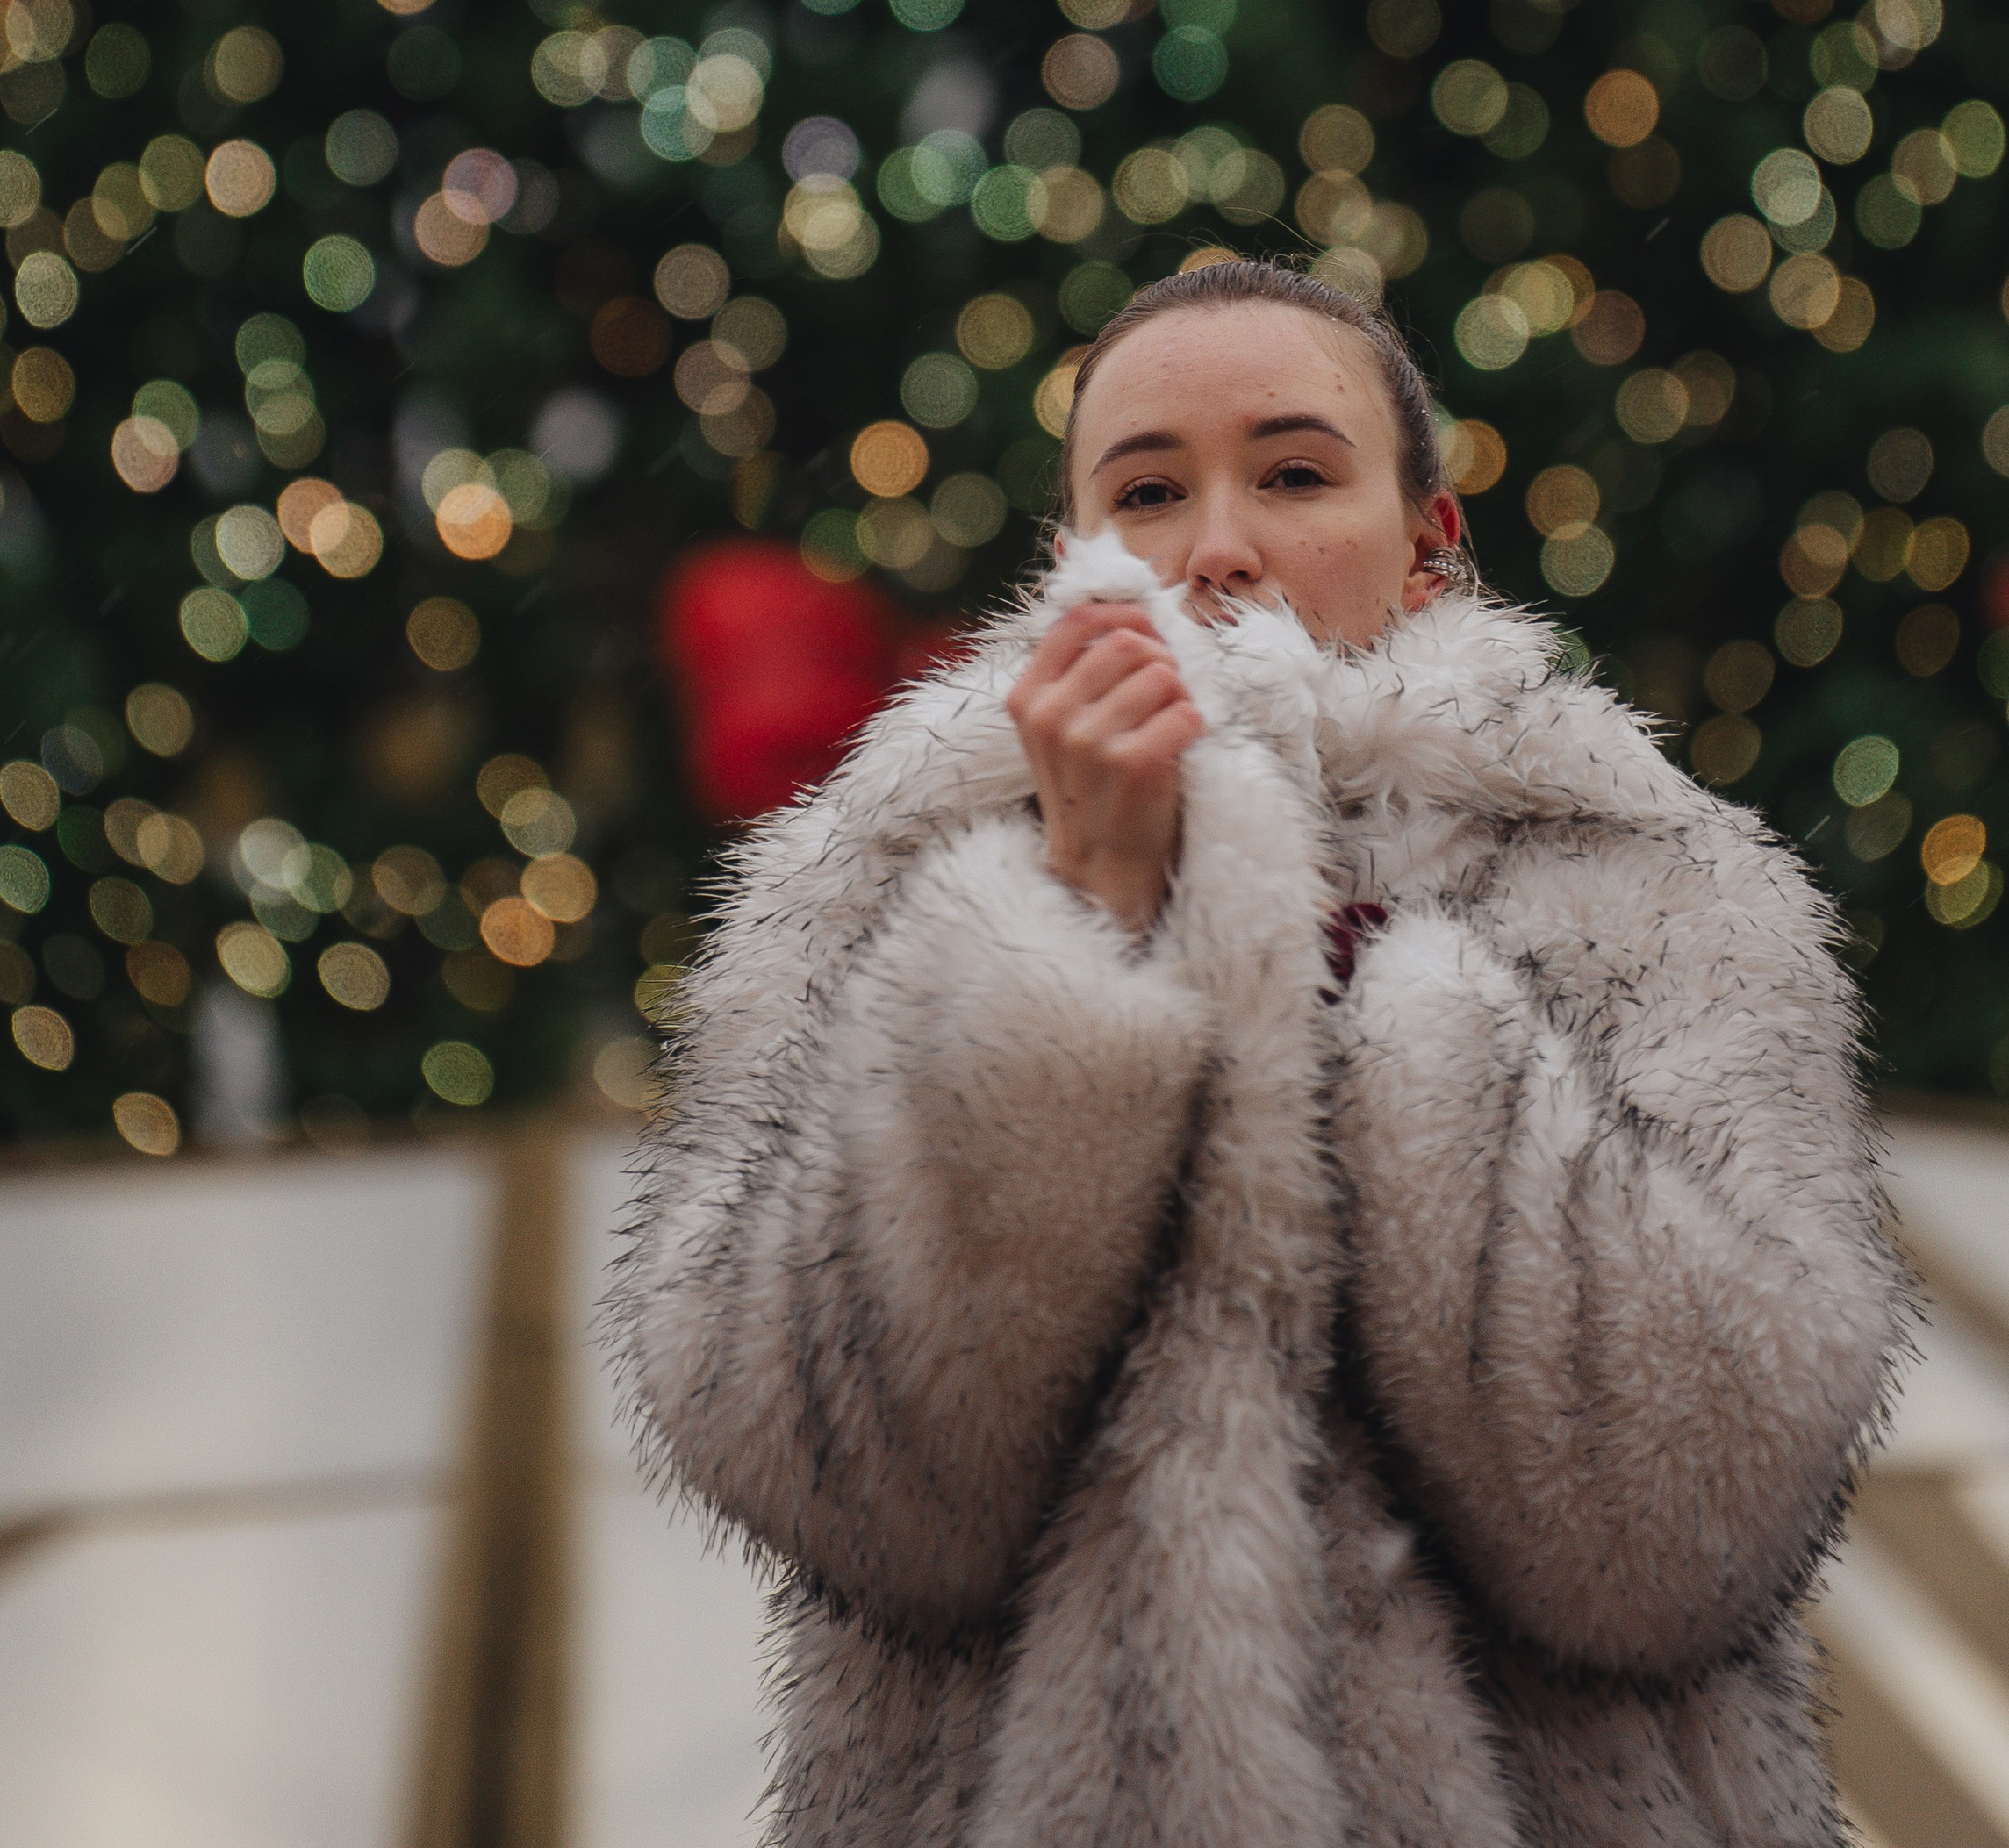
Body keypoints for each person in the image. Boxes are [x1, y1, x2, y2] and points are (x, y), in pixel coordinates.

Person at [614, 259, 1904, 1848]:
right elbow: (840, 1487)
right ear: (1071, 561)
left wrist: (1382, 1010)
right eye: (1148, 493)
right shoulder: (865, 882)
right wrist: (1067, 938)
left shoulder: (1650, 871)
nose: (1218, 548)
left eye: (1295, 475)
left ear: (1430, 545)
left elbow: (1699, 1526)